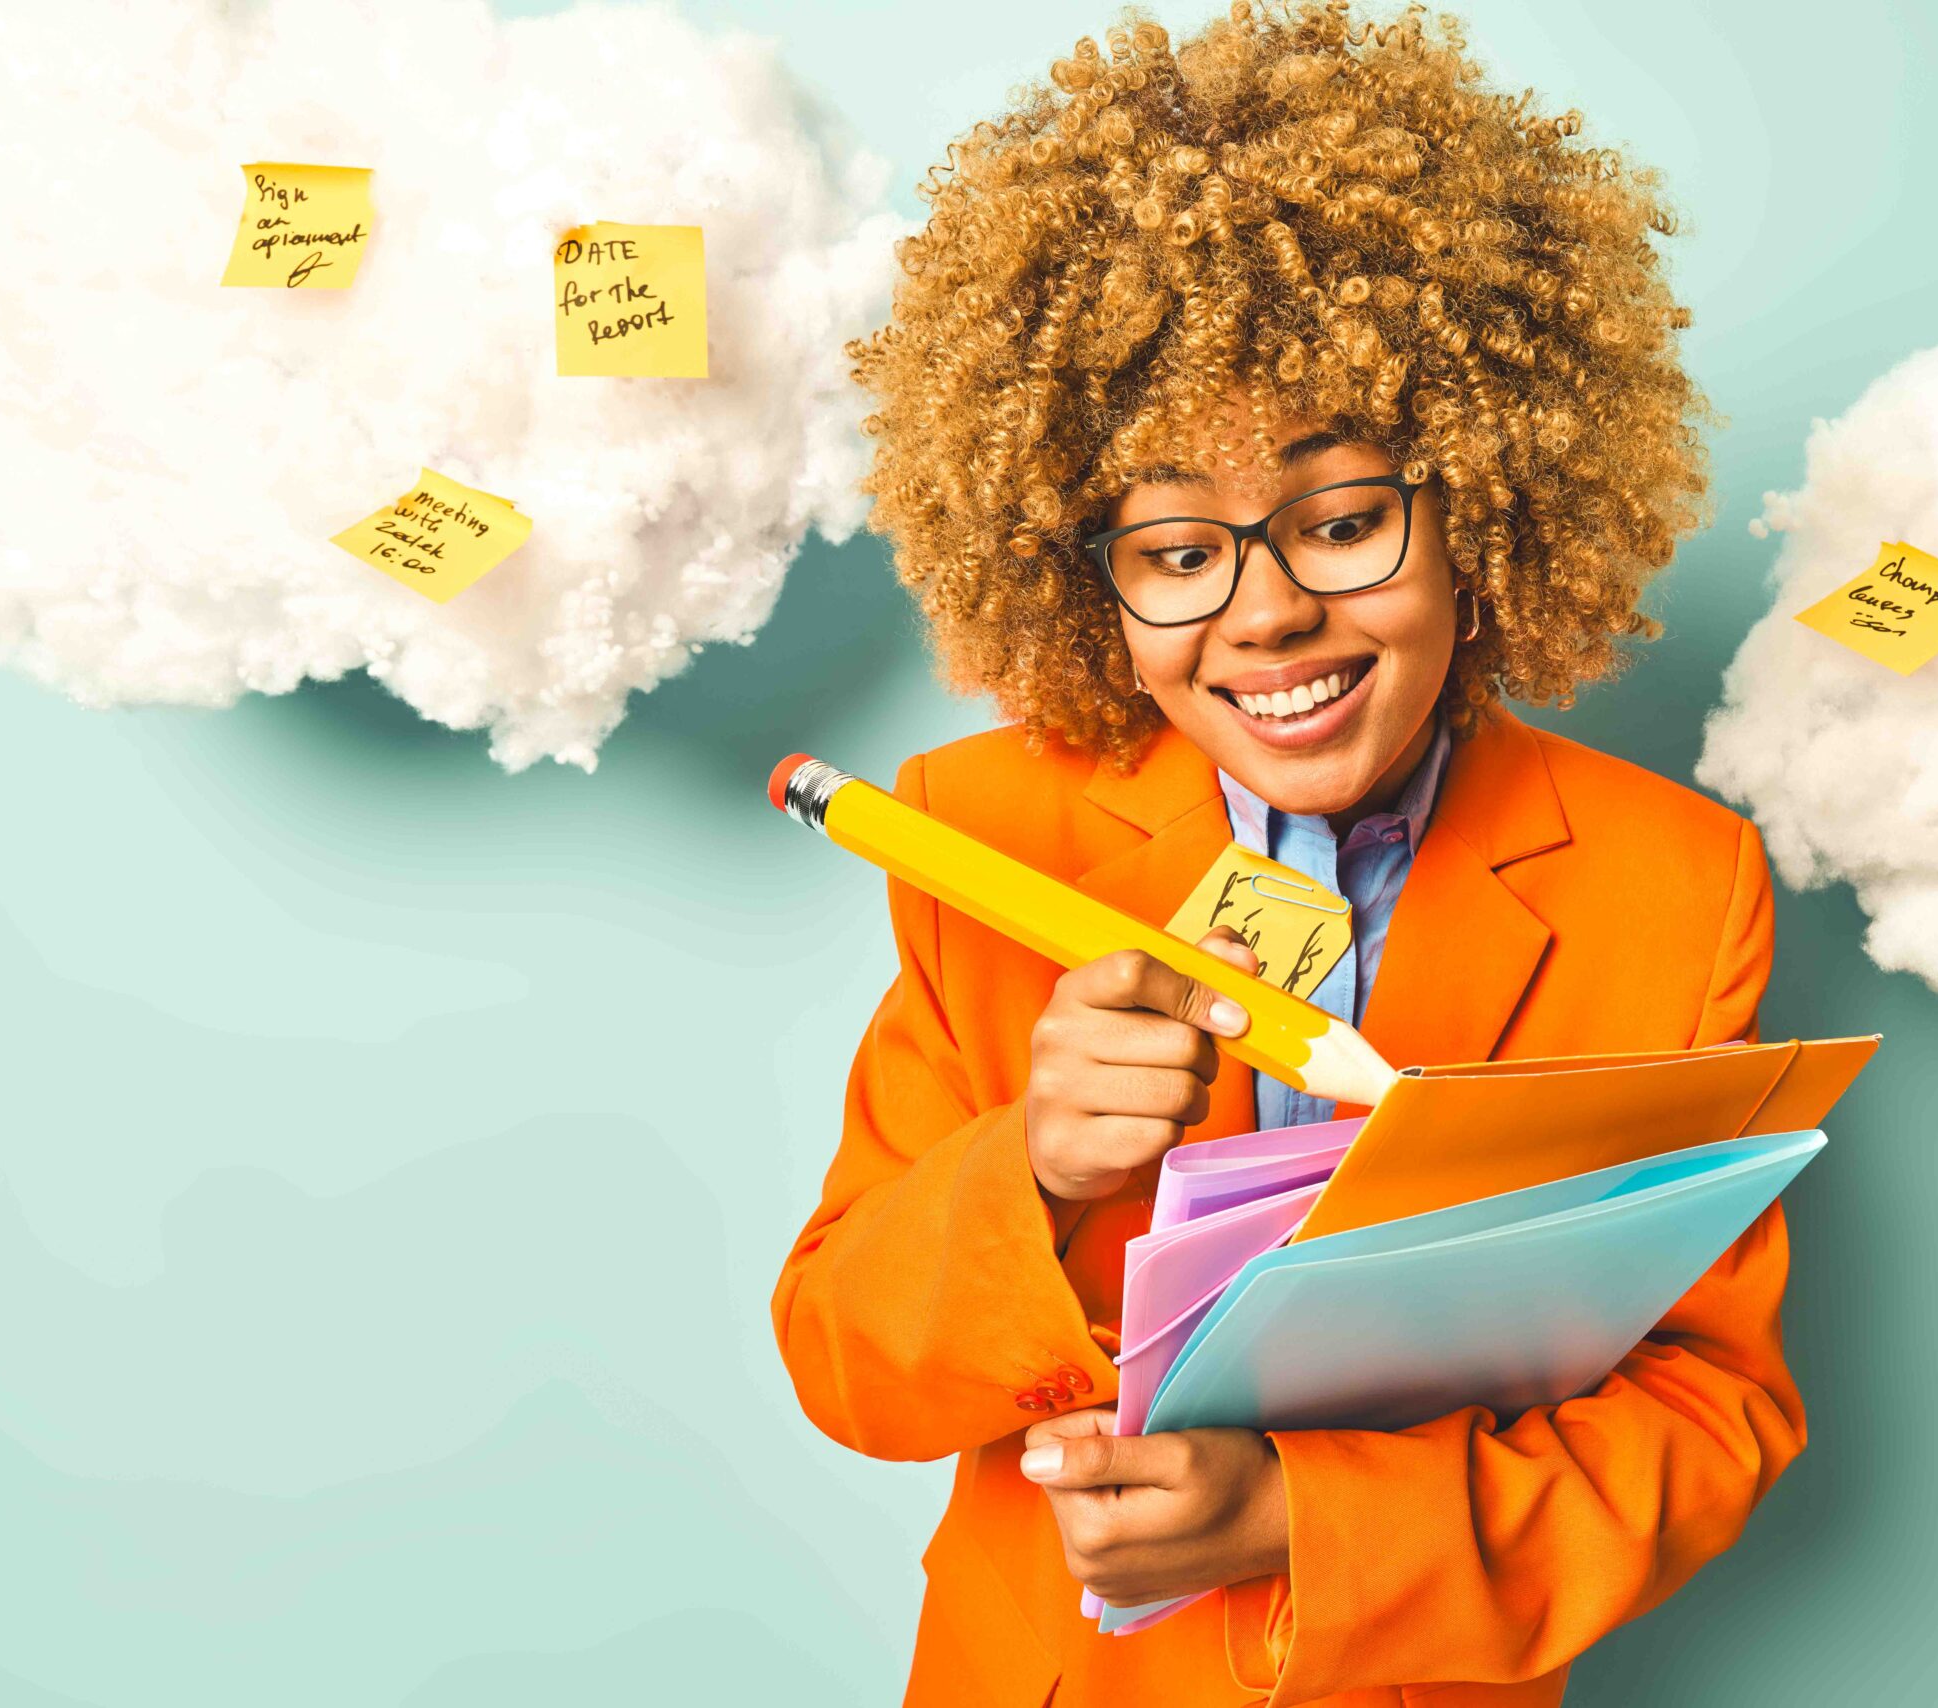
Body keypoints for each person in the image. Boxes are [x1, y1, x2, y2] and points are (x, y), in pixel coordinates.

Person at [772, 5, 1803, 1702]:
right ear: (1081, 566)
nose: (1265, 609)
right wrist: (1028, 1166)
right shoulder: (981, 831)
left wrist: (1304, 1518)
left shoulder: (1673, 884)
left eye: (1340, 520)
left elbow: (1710, 1414)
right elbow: (845, 1364)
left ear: (1484, 494)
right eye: (1175, 548)